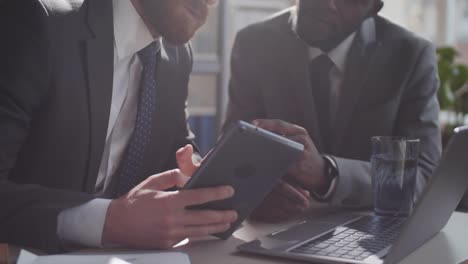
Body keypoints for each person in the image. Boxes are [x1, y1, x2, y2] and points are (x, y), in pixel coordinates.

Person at [0, 0, 238, 253]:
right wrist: (107, 220)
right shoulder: (37, 20)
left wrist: (204, 179)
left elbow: (177, 151)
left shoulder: (177, 56)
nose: (212, 1)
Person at [224, 0, 442, 221]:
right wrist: (253, 192)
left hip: (370, 230)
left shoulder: (409, 55)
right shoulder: (254, 43)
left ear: (372, 8)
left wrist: (326, 174)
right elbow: (228, 154)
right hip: (274, 231)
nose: (326, 3)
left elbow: (423, 177)